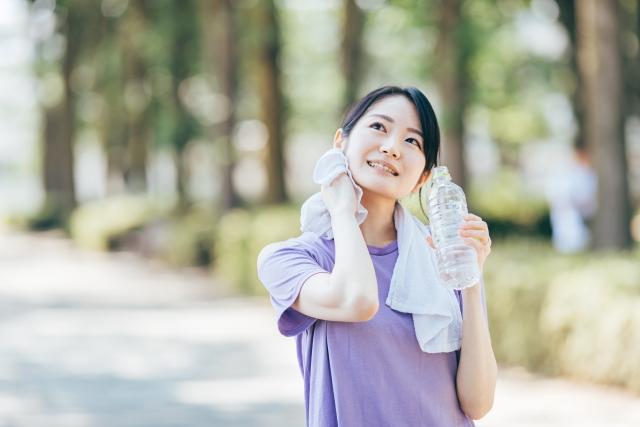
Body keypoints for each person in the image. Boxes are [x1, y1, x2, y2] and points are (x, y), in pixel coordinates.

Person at [257, 86, 496, 426]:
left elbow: (478, 403)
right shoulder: (292, 259)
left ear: (423, 178)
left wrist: (471, 279)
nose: (392, 148)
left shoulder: (442, 255)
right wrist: (342, 210)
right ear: (341, 143)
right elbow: (357, 301)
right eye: (379, 127)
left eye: (412, 141)